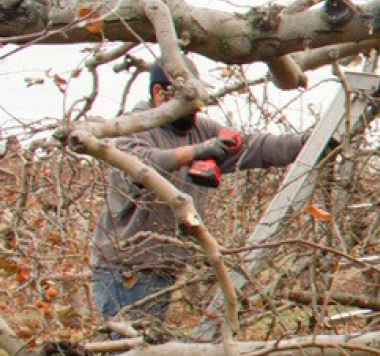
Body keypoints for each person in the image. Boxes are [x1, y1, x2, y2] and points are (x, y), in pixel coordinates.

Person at [90, 64, 316, 324]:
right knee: (131, 348)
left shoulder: (201, 130)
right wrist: (196, 152)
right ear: (158, 92)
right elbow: (142, 165)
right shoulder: (132, 129)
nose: (195, 107)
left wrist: (305, 143)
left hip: (166, 267)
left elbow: (254, 147)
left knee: (151, 346)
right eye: (186, 99)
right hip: (125, 270)